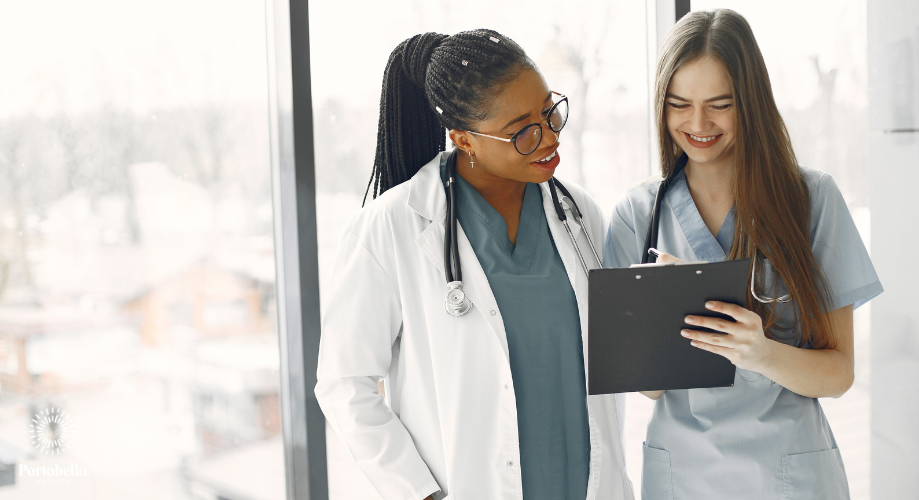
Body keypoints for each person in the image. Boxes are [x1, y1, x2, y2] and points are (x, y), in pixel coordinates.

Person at [315, 30, 633, 500]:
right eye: (523, 130)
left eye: (551, 111)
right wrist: (420, 493)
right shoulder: (394, 227)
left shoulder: (578, 212)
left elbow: (613, 354)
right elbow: (344, 383)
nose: (548, 137)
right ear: (464, 139)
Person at [603, 10, 882, 499]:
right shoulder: (636, 213)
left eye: (720, 105)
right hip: (682, 476)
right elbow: (646, 390)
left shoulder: (811, 200)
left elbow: (838, 375)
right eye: (678, 104)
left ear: (749, 102)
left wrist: (760, 353)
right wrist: (668, 311)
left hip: (788, 474)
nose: (697, 124)